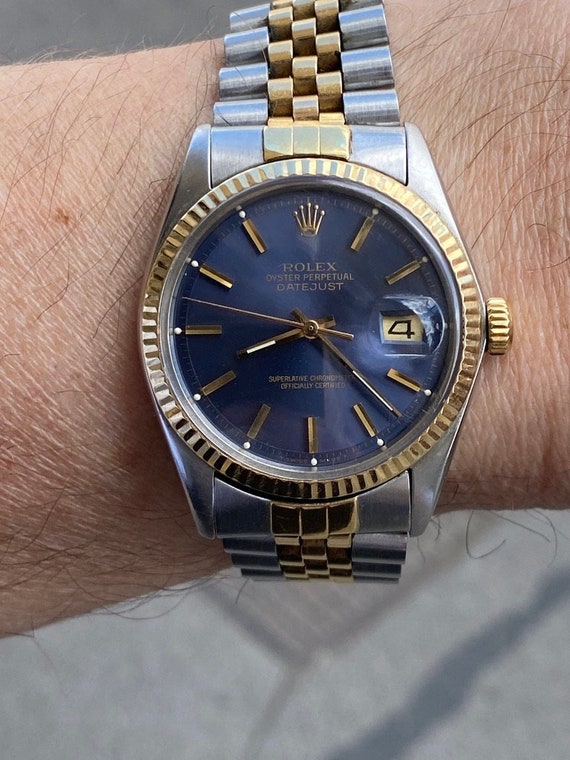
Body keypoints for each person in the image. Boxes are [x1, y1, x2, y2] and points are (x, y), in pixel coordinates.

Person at [0, 0, 568, 636]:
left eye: (319, 323)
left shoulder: (347, 167)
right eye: (309, 326)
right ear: (487, 324)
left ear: (484, 326)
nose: (313, 327)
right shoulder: (351, 163)